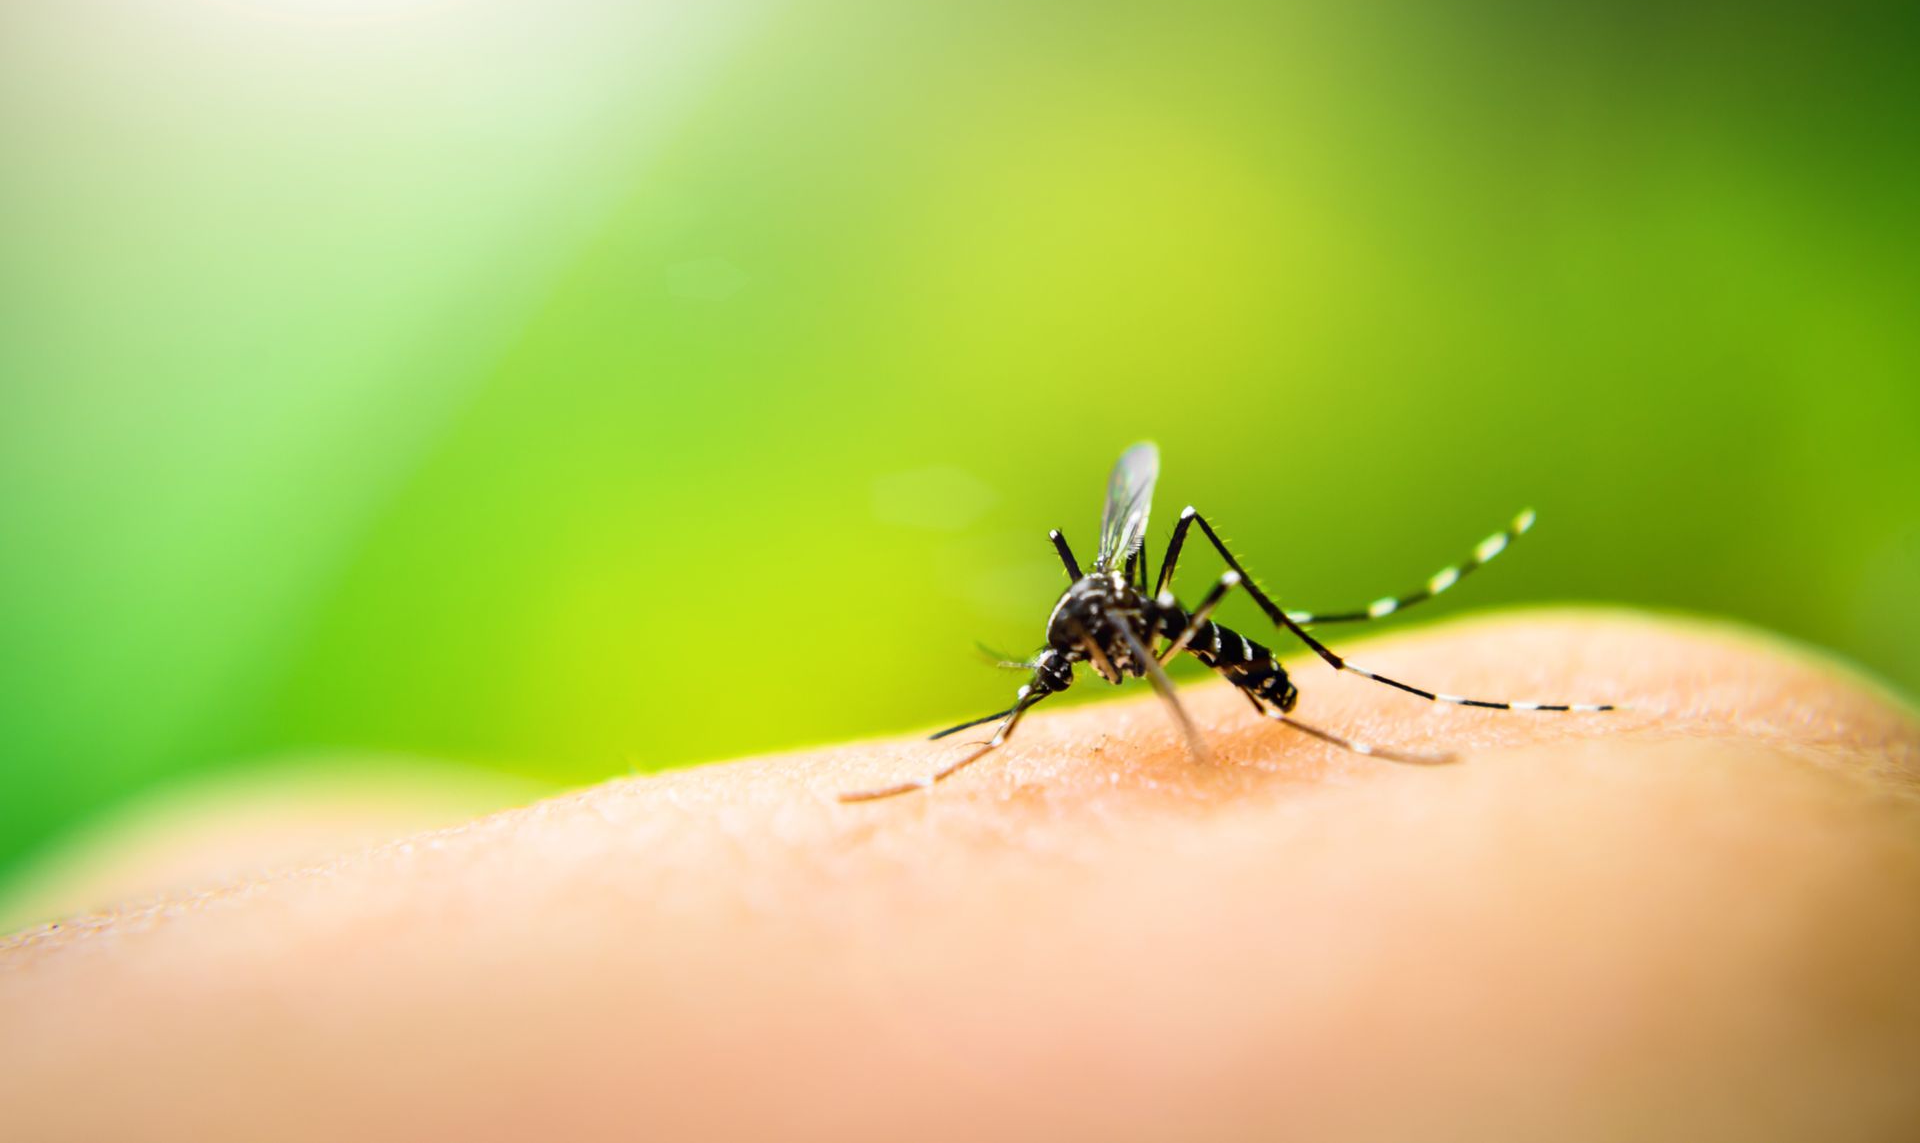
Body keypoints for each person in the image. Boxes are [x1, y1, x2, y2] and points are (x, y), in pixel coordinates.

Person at [3, 611, 1916, 1141]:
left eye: (1068, 668)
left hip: (1283, 677)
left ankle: (1337, 684)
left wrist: (1235, 706)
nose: (1072, 674)